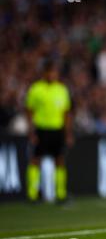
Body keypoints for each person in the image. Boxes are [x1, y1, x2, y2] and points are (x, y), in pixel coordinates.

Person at [25, 60, 73, 203]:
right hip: (41, 130)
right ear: (45, 73)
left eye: (55, 72)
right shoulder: (35, 89)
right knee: (35, 160)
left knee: (59, 160)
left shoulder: (62, 89)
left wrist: (68, 132)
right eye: (51, 72)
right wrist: (31, 131)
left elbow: (66, 113)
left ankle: (60, 194)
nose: (53, 75)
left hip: (57, 130)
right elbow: (29, 111)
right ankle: (32, 194)